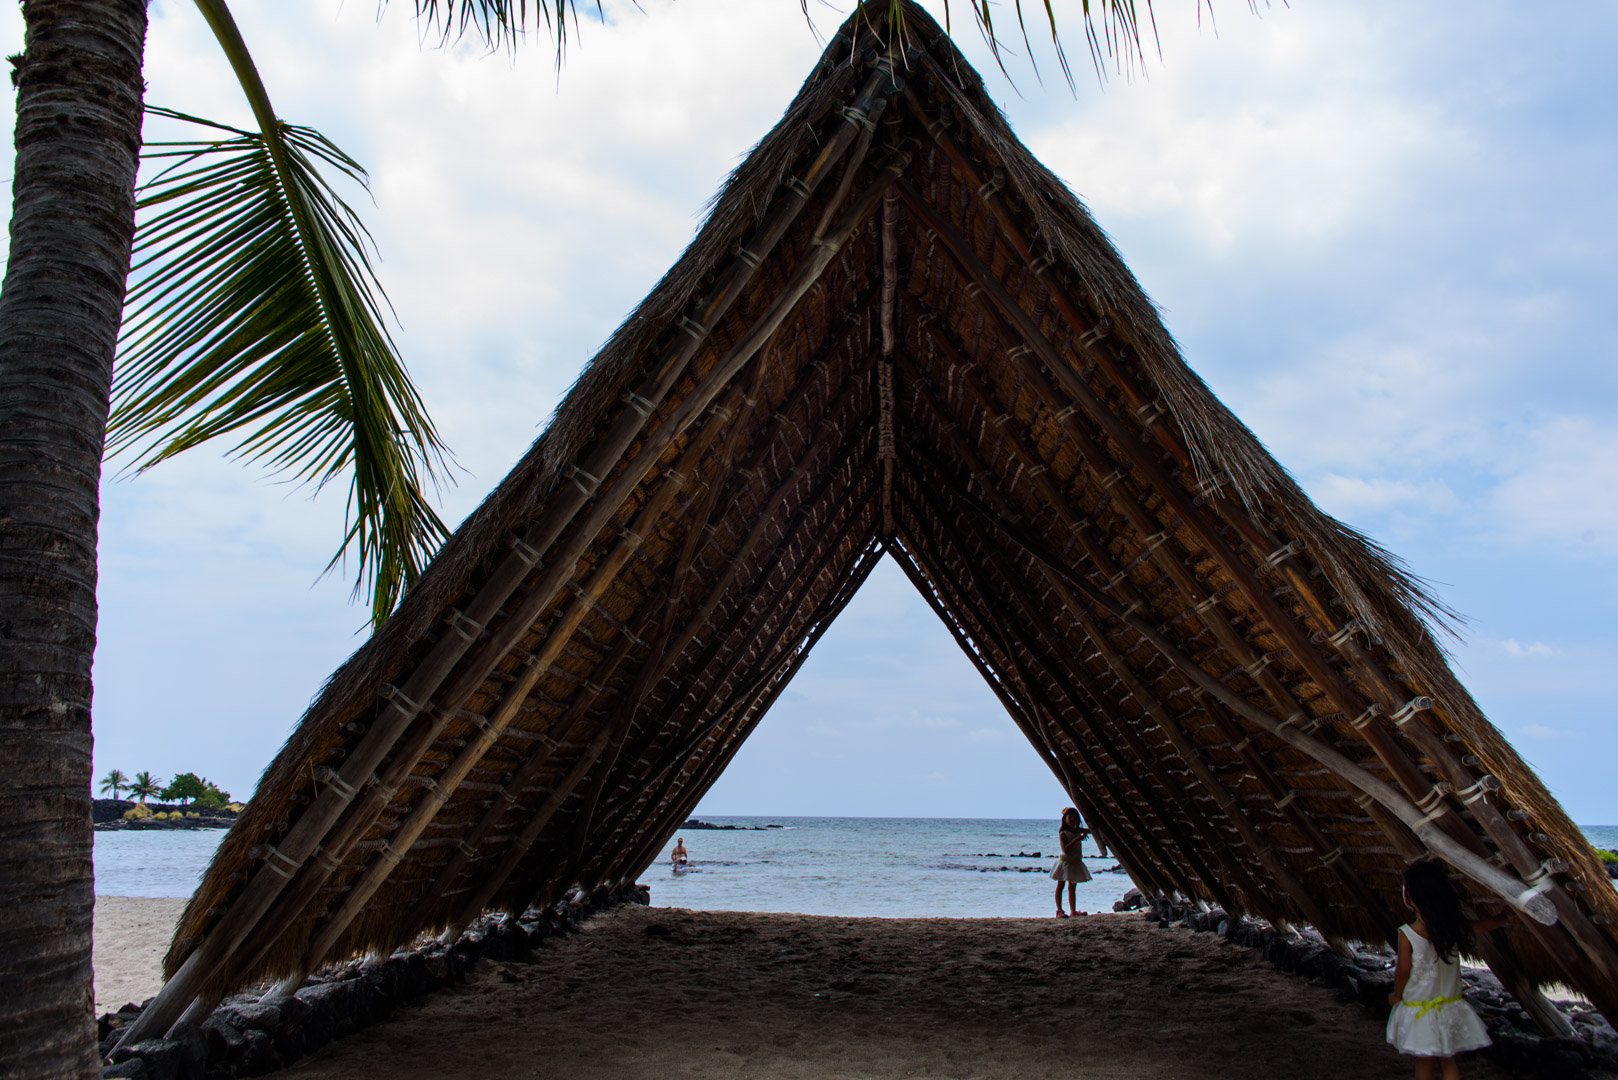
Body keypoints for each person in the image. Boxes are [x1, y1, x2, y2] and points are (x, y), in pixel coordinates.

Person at [1387, 859, 1506, 1079]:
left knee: (1424, 1066)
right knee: (1448, 1062)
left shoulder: (1407, 934)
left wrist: (1397, 995)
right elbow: (1482, 926)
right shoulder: (1452, 928)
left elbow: (1402, 971)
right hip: (1450, 1008)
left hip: (1419, 1010)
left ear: (1409, 897)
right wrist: (1502, 917)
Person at [1050, 807, 1092, 917]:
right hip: (1065, 862)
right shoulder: (1063, 833)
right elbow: (1065, 849)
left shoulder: (1077, 830)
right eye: (1070, 817)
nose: (1073, 819)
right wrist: (1077, 839)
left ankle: (1073, 911)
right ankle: (1059, 910)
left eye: (1075, 817)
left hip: (1075, 861)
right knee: (1060, 886)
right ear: (1065, 819)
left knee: (1072, 888)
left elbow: (1090, 830)